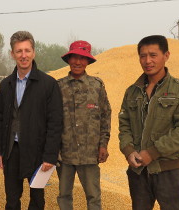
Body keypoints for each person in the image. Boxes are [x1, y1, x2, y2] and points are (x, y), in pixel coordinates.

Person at [118, 35, 179, 210]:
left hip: (169, 172)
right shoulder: (132, 92)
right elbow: (124, 125)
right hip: (138, 172)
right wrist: (129, 151)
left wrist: (152, 153)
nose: (147, 61)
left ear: (166, 55)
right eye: (143, 56)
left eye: (153, 55)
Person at [0, 31, 63, 210]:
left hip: (38, 154)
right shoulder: (6, 85)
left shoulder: (48, 84)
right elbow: (0, 120)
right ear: (12, 54)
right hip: (11, 152)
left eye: (27, 50)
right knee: (12, 200)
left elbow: (55, 123)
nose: (23, 55)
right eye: (19, 51)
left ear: (33, 52)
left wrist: (50, 155)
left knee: (37, 200)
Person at [56, 40, 112, 210]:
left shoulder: (97, 86)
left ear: (88, 61)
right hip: (64, 153)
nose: (77, 62)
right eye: (74, 57)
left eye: (82, 58)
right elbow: (50, 120)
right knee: (64, 195)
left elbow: (105, 116)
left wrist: (103, 144)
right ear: (69, 60)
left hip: (90, 152)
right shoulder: (58, 87)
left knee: (94, 197)